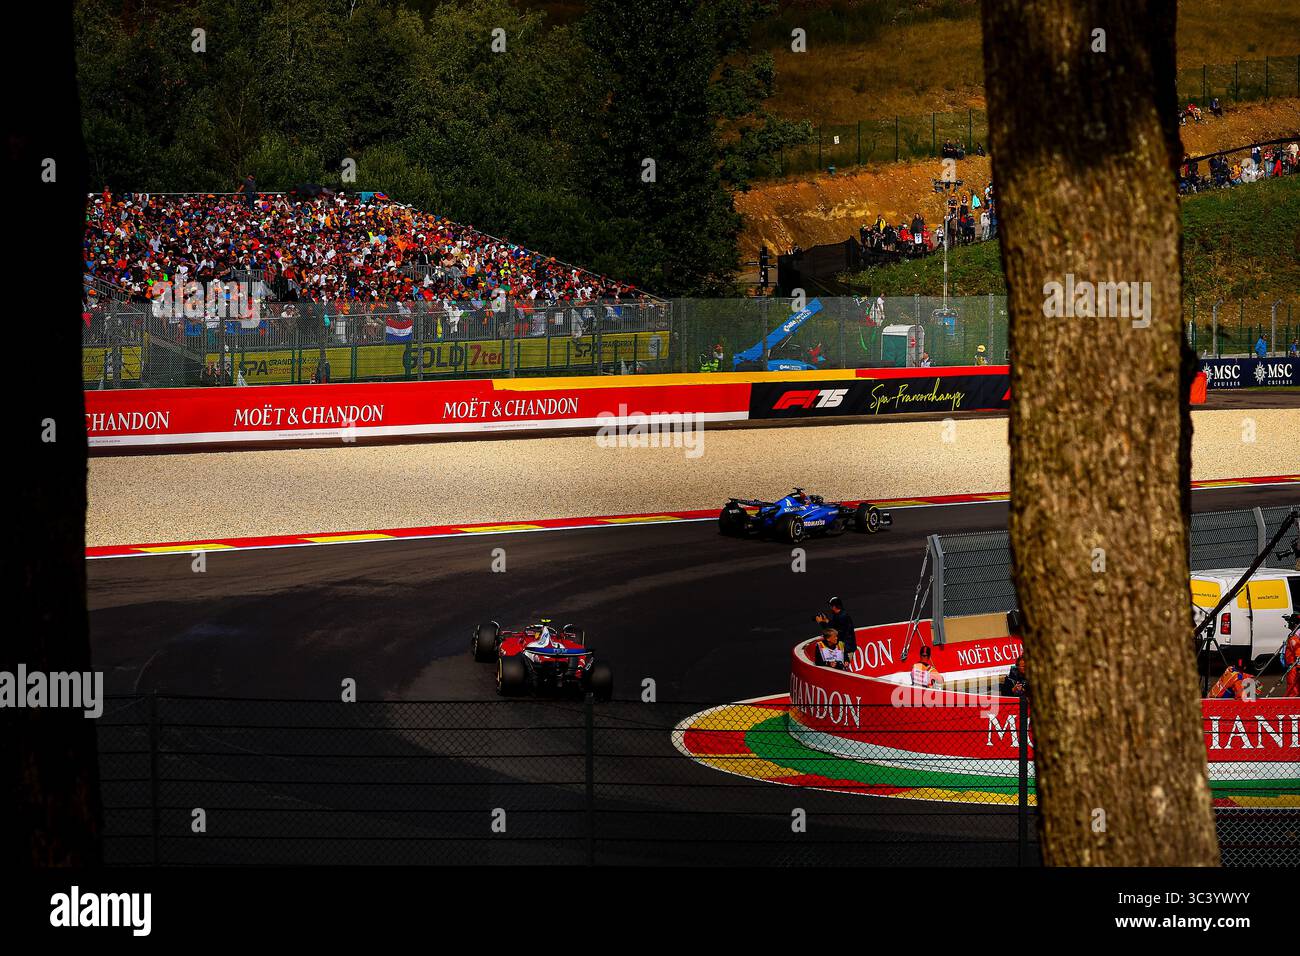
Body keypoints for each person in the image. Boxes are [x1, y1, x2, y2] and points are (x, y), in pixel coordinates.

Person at [814, 597, 856, 663]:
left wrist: (821, 622)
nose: (830, 608)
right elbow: (835, 625)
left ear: (834, 607)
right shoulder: (840, 614)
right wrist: (826, 620)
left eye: (831, 606)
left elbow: (831, 633)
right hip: (845, 647)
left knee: (841, 669)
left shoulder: (842, 617)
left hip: (846, 649)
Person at [1282, 615, 1300, 698]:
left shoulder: (1294, 638)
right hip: (1293, 665)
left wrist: (1298, 666)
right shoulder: (1294, 635)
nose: (1288, 624)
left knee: (1293, 689)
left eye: (1289, 622)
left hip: (1294, 666)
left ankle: (1290, 705)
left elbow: (1298, 652)